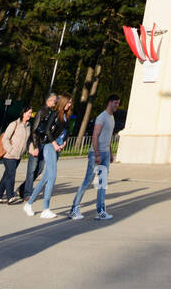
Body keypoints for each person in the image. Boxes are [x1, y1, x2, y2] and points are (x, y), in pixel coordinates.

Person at [68, 93, 121, 221]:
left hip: (106, 155)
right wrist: (97, 154)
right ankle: (74, 209)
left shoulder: (112, 118)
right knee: (88, 181)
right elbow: (95, 136)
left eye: (118, 103)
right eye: (116, 103)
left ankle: (100, 210)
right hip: (96, 155)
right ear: (110, 102)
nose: (117, 106)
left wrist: (111, 154)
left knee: (102, 184)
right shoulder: (101, 117)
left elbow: (107, 138)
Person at [24, 94, 72, 219]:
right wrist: (55, 144)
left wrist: (64, 142)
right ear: (63, 102)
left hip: (58, 148)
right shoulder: (55, 114)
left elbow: (66, 132)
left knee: (45, 178)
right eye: (68, 102)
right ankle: (46, 208)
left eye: (71, 103)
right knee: (52, 177)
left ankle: (29, 204)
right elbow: (47, 131)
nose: (69, 105)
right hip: (50, 146)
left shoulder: (66, 116)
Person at [20, 94, 57, 200]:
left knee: (39, 169)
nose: (55, 103)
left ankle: (22, 188)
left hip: (45, 143)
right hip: (38, 143)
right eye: (54, 101)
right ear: (48, 101)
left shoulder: (51, 112)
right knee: (31, 169)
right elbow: (35, 129)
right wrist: (35, 146)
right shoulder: (41, 112)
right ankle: (27, 193)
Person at [0, 106, 34, 204]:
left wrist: (31, 149)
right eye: (29, 112)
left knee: (6, 176)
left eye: (31, 113)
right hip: (9, 155)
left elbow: (28, 141)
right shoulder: (14, 124)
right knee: (11, 175)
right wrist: (10, 150)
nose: (30, 114)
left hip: (18, 156)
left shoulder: (28, 126)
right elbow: (5, 138)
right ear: (23, 113)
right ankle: (10, 197)